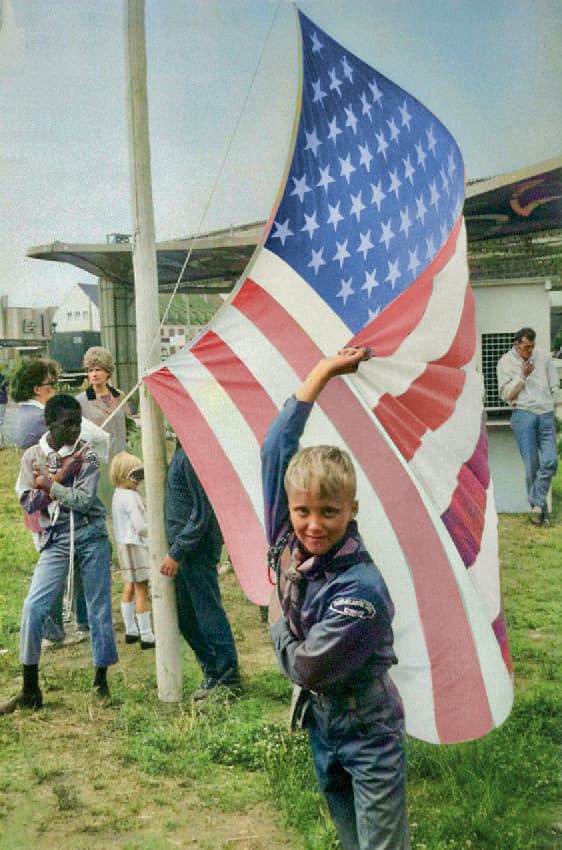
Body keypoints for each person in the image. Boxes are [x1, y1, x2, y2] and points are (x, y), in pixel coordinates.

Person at [262, 347, 409, 850]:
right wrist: (322, 371)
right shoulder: (288, 534)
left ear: (353, 509)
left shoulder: (360, 590)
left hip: (367, 726)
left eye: (329, 511)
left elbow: (308, 667)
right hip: (322, 720)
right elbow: (278, 445)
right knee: (351, 840)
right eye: (302, 510)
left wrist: (275, 622)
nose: (313, 525)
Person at [0, 394, 118, 714]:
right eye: (67, 424)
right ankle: (29, 689)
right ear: (50, 423)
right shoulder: (32, 456)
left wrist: (49, 485)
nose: (74, 430)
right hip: (57, 538)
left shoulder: (88, 456)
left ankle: (101, 681)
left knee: (98, 610)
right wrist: (60, 477)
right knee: (33, 608)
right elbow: (28, 504)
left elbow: (82, 501)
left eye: (78, 423)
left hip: (92, 535)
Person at [160, 441, 240, 700]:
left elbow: (202, 511)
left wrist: (178, 551)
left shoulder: (192, 457)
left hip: (195, 550)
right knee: (186, 617)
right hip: (187, 551)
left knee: (207, 613)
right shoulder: (183, 455)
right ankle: (213, 673)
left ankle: (228, 679)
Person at [496, 327, 559, 526]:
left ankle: (536, 505)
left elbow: (554, 385)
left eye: (532, 347)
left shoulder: (544, 357)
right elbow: (506, 395)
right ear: (517, 344)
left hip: (545, 413)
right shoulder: (506, 362)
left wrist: (552, 402)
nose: (529, 351)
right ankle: (540, 512)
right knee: (532, 463)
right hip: (523, 414)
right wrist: (521, 377)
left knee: (550, 460)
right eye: (525, 347)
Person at [110, 451, 155, 649]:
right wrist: (155, 531)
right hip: (136, 545)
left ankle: (131, 630)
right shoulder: (132, 497)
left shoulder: (117, 495)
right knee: (142, 589)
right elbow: (141, 526)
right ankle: (146, 634)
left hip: (122, 545)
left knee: (129, 586)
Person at [76, 346, 127, 457]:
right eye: (90, 370)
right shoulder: (81, 400)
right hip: (95, 459)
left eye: (98, 370)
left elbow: (129, 426)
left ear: (107, 372)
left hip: (120, 456)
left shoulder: (120, 396)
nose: (94, 374)